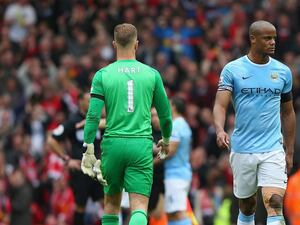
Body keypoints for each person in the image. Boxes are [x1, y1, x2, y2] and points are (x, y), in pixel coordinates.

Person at [81, 23, 172, 225]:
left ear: (114, 44)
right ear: (137, 44)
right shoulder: (152, 74)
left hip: (112, 145)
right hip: (141, 145)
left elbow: (93, 116)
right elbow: (165, 115)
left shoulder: (102, 75)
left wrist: (88, 147)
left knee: (111, 204)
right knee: (139, 207)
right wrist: (165, 139)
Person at [213, 20, 296, 225]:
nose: (272, 42)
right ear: (253, 39)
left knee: (274, 202)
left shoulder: (283, 72)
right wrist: (219, 129)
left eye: (274, 38)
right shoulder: (232, 70)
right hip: (243, 148)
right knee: (248, 205)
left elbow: (288, 112)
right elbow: (220, 105)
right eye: (267, 38)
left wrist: (289, 150)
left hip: (272, 148)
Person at [47, 92, 103, 225]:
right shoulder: (73, 121)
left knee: (107, 204)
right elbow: (51, 140)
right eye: (89, 101)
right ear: (80, 102)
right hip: (81, 171)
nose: (92, 104)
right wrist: (67, 159)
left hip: (98, 169)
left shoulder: (99, 120)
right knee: (80, 207)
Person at [163, 97, 192, 225]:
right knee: (172, 213)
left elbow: (171, 150)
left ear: (173, 106)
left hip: (176, 175)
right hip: (180, 172)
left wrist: (150, 160)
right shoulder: (183, 124)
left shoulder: (176, 125)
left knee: (178, 212)